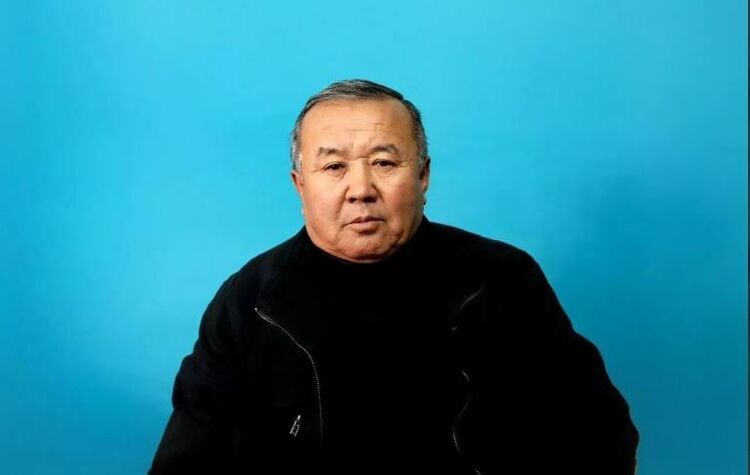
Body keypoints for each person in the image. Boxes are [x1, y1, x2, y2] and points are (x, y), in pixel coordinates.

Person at [149, 79, 639, 474]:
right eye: (334, 166)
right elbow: (189, 459)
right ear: (300, 185)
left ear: (423, 175)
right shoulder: (250, 301)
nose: (360, 189)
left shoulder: (502, 279)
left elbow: (596, 433)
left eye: (384, 163)